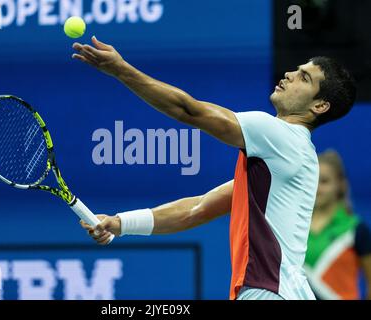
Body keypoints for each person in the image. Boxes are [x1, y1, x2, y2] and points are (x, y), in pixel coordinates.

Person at [72, 36, 356, 300]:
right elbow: (198, 209)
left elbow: (189, 110)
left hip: (268, 292)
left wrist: (122, 70)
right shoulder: (282, 163)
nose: (290, 75)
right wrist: (121, 223)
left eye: (304, 78)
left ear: (320, 105)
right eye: (297, 69)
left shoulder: (280, 135)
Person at [305, 150, 371, 300]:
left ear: (340, 185)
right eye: (312, 180)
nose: (317, 188)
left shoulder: (356, 230)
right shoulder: (293, 229)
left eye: (324, 181)